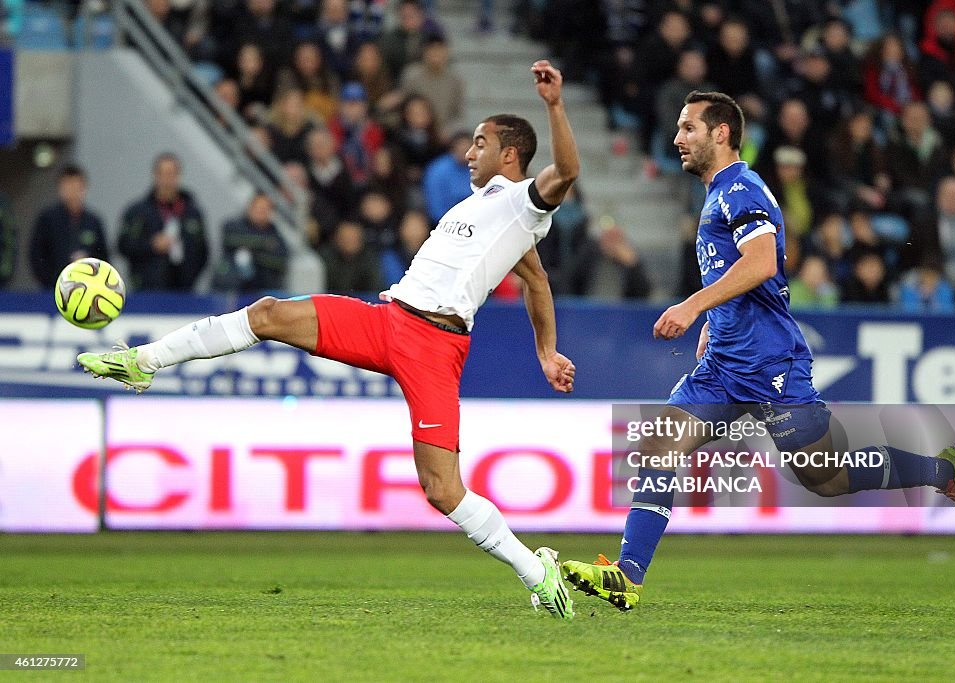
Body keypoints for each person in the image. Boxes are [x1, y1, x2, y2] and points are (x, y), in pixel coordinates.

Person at [78, 60, 580, 621]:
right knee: (269, 313)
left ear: (510, 154)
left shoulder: (523, 203)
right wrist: (545, 350)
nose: (469, 152)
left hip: (435, 346)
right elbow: (535, 280)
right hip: (387, 320)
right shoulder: (485, 207)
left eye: (481, 143)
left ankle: (538, 572)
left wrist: (555, 106)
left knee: (442, 489)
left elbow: (567, 171)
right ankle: (143, 361)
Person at [561, 91, 955, 612]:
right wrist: (715, 319)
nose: (677, 138)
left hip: (770, 365)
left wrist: (694, 305)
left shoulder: (742, 189)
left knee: (824, 473)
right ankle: (627, 577)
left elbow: (762, 262)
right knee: (657, 446)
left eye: (687, 128)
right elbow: (735, 271)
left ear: (721, 133)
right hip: (722, 364)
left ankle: (943, 472)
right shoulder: (718, 193)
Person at [117, 153, 209, 291]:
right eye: (164, 174)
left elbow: (203, 251)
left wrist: (191, 277)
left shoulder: (192, 212)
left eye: (172, 174)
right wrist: (151, 245)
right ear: (155, 175)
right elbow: (123, 245)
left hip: (184, 290)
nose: (168, 179)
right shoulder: (137, 212)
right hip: (146, 290)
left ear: (179, 176)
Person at [28, 164, 109, 288]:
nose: (72, 191)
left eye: (76, 186)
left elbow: (103, 255)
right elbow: (36, 254)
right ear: (60, 188)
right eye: (68, 185)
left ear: (84, 187)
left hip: (87, 289)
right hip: (54, 288)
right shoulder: (47, 219)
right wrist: (50, 281)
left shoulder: (93, 221)